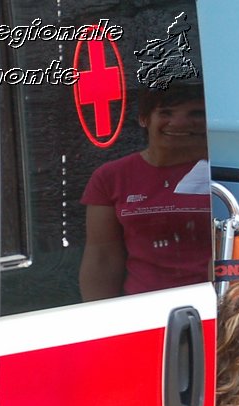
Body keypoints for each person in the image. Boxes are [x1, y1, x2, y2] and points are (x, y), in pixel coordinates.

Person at [79, 83, 210, 300]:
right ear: (144, 119)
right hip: (142, 313)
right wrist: (100, 318)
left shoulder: (229, 171)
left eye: (196, 113)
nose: (179, 122)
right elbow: (102, 257)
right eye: (166, 112)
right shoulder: (110, 177)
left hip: (215, 308)